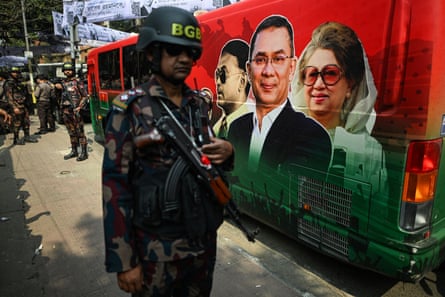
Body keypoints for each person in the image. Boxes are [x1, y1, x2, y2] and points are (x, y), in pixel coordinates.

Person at [102, 6, 234, 296]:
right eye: (174, 51)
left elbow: (207, 160)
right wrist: (124, 261)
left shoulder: (197, 104)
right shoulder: (130, 109)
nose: (184, 59)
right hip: (154, 254)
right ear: (151, 53)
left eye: (190, 52)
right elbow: (115, 188)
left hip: (200, 246)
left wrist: (227, 151)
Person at [227, 15, 332, 174]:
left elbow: (286, 193)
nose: (268, 71)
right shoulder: (236, 128)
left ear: (291, 68)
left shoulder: (313, 136)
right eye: (260, 60)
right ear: (248, 70)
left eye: (278, 59)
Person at [292, 21, 387, 194]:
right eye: (312, 74)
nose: (319, 84)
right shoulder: (286, 135)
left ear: (350, 86)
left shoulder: (370, 151)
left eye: (330, 74)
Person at [212, 39, 250, 138]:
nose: (218, 82)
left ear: (242, 81)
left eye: (223, 75)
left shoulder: (252, 129)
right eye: (217, 74)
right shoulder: (215, 129)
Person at [56, 62, 89, 161]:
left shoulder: (77, 82)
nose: (67, 71)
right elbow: (57, 97)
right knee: (71, 132)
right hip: (65, 111)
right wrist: (56, 88)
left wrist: (79, 107)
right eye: (65, 70)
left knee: (80, 132)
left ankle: (84, 153)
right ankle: (74, 151)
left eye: (69, 69)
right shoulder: (62, 83)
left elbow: (85, 96)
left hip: (75, 111)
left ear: (73, 71)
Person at [4, 66, 37, 145]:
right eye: (14, 72)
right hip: (16, 105)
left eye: (17, 72)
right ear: (10, 73)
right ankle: (16, 139)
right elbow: (9, 97)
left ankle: (27, 136)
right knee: (17, 123)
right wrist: (14, 107)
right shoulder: (9, 83)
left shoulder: (19, 81)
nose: (15, 74)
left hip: (24, 105)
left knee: (26, 122)